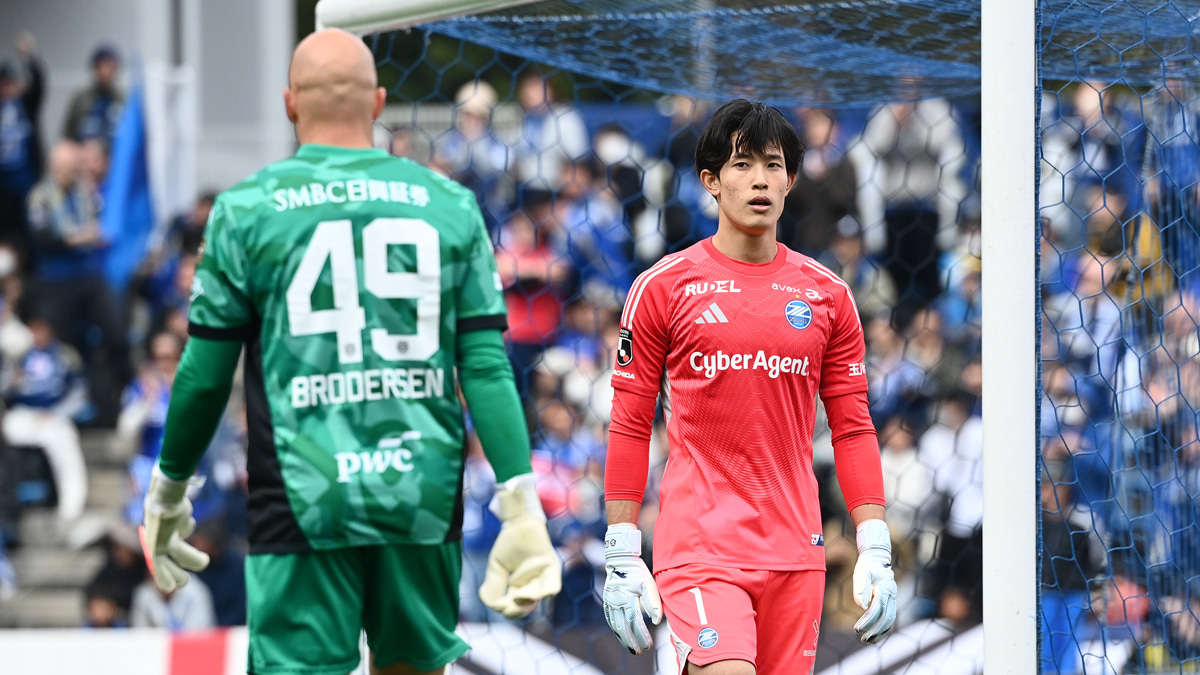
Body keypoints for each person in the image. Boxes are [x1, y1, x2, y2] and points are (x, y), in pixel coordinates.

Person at [138, 29, 560, 675]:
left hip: (304, 490)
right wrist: (519, 501)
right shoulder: (450, 204)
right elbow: (483, 364)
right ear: (379, 102)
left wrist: (169, 490)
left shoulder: (246, 208)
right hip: (419, 488)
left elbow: (202, 374)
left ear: (289, 104)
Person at [601, 99, 898, 673]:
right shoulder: (662, 287)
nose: (759, 180)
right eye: (741, 165)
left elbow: (854, 427)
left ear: (791, 180)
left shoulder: (828, 296)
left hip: (797, 551)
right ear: (710, 180)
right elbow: (630, 423)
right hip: (701, 550)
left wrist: (875, 546)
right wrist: (620, 552)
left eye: (773, 164)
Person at [62, 44, 123, 143]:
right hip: (83, 150)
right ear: (95, 69)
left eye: (110, 67)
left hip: (113, 152)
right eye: (102, 67)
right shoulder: (81, 99)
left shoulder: (124, 100)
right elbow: (67, 134)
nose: (105, 72)